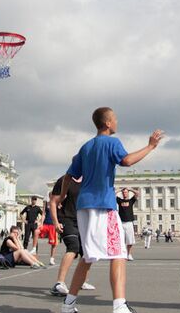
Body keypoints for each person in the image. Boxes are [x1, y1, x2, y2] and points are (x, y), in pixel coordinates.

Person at [56, 106, 163, 313]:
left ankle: (68, 304)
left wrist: (62, 195)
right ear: (107, 123)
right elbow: (127, 161)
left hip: (83, 207)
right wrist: (150, 146)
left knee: (88, 257)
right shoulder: (112, 142)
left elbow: (69, 175)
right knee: (119, 254)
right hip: (103, 206)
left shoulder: (86, 147)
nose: (117, 122)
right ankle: (119, 305)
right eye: (115, 119)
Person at [49, 175, 95, 296]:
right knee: (73, 247)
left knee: (87, 252)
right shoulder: (64, 180)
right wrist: (55, 222)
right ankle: (59, 284)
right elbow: (53, 201)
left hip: (83, 219)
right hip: (66, 219)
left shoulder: (88, 180)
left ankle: (82, 281)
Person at [116, 188, 139, 260]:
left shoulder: (131, 200)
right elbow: (112, 194)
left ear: (128, 193)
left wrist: (130, 189)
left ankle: (129, 254)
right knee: (121, 240)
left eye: (126, 192)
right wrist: (119, 190)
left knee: (130, 240)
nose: (124, 194)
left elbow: (137, 193)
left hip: (129, 222)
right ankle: (122, 254)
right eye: (123, 193)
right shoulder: (120, 200)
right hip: (121, 222)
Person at [38, 197, 58, 265]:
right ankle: (34, 249)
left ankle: (51, 259)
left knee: (54, 243)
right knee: (36, 231)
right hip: (46, 224)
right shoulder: (46, 203)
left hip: (53, 225)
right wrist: (41, 223)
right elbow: (43, 214)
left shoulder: (57, 203)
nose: (51, 196)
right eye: (50, 195)